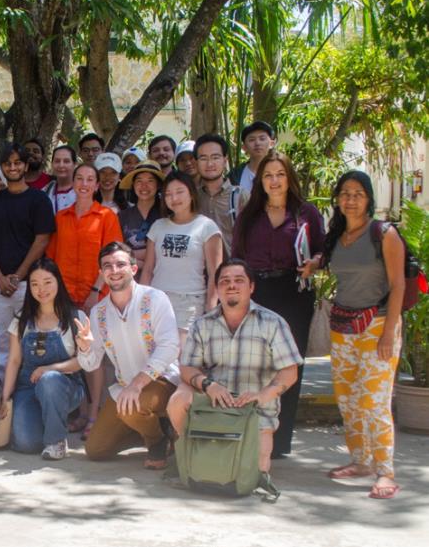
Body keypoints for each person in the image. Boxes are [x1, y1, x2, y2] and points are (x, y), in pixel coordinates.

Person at [167, 259, 302, 476]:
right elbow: (187, 368)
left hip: (254, 409)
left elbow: (289, 372)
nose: (231, 285)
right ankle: (191, 449)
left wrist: (262, 395)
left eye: (239, 280)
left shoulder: (272, 323)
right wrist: (209, 385)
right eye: (225, 281)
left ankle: (210, 458)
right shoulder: (203, 324)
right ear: (217, 288)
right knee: (179, 398)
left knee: (254, 474)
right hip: (212, 403)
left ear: (251, 287)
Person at [232, 150, 323, 458]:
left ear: (289, 178)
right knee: (257, 364)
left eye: (280, 174)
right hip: (258, 293)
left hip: (294, 292)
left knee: (290, 364)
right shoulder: (249, 215)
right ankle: (255, 432)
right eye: (268, 175)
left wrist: (314, 262)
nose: (274, 181)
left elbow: (323, 251)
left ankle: (280, 441)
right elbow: (237, 257)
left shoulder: (307, 213)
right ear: (261, 181)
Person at [319, 170, 404, 499]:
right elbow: (333, 267)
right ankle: (360, 461)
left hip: (378, 325)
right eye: (344, 193)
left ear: (369, 199)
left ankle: (385, 472)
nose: (350, 199)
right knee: (347, 400)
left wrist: (388, 334)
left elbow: (398, 286)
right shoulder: (338, 235)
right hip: (343, 326)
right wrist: (314, 263)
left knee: (374, 401)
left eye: (357, 193)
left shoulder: (383, 234)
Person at [79, 242, 180, 469]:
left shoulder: (155, 298)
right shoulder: (99, 312)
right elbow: (91, 363)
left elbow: (170, 346)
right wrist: (85, 348)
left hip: (161, 381)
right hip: (126, 389)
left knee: (134, 406)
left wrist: (137, 384)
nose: (114, 270)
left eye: (120, 264)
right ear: (101, 273)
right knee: (96, 449)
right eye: (107, 266)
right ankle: (155, 428)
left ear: (134, 269)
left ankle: (157, 440)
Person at [46, 162, 122, 437]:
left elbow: (112, 259)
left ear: (97, 185)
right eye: (80, 178)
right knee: (74, 354)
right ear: (73, 182)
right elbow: (52, 260)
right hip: (65, 297)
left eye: (91, 179)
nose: (85, 183)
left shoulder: (106, 216)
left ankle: (93, 416)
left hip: (96, 297)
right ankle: (79, 413)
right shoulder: (61, 217)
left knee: (94, 356)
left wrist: (94, 291)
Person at [0, 258, 89, 459]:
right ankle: (48, 423)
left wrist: (49, 369)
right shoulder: (21, 319)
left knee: (49, 381)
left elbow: (82, 362)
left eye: (47, 282)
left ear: (58, 281)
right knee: (26, 444)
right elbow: (14, 361)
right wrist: (5, 398)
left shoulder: (75, 318)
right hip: (27, 387)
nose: (42, 289)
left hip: (64, 387)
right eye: (35, 284)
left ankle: (56, 442)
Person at [0, 143, 56, 377]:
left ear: (25, 165)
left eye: (17, 163)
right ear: (2, 166)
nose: (12, 167)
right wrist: (1, 278)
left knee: (31, 336)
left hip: (31, 283)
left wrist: (18, 276)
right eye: (7, 164)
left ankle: (27, 389)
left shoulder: (39, 200)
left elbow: (41, 241)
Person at [140, 171, 223, 338]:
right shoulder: (158, 226)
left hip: (190, 302)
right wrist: (140, 301)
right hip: (157, 298)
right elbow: (148, 268)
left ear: (191, 194)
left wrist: (211, 305)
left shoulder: (206, 227)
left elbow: (216, 272)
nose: (174, 198)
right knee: (155, 353)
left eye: (179, 192)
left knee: (181, 356)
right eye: (168, 194)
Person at [195, 133, 248, 252]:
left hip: (233, 268)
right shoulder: (191, 197)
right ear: (196, 162)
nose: (209, 164)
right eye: (203, 158)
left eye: (215, 157)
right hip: (199, 269)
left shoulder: (240, 196)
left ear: (225, 160)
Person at [118, 161, 164, 265]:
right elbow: (116, 252)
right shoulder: (122, 216)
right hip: (129, 278)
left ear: (158, 185)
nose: (144, 186)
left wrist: (131, 257)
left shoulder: (167, 215)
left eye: (150, 181)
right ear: (133, 185)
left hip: (162, 277)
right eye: (139, 181)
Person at [230, 121, 277, 193]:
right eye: (252, 140)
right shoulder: (235, 175)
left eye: (262, 139)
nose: (257, 143)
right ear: (244, 147)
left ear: (272, 143)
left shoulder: (282, 172)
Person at [42, 145, 76, 213]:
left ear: (74, 164)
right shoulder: (45, 191)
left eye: (66, 161)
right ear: (52, 164)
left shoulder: (84, 190)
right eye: (57, 161)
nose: (61, 165)